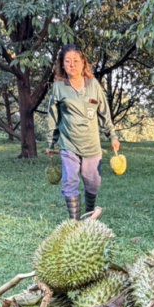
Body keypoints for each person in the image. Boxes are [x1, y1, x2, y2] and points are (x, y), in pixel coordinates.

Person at [41, 44, 121, 219]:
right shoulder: (58, 87)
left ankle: (90, 214)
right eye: (67, 61)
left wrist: (113, 135)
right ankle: (75, 223)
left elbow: (104, 113)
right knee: (70, 181)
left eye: (76, 61)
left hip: (92, 146)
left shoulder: (93, 85)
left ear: (83, 63)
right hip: (69, 144)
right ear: (62, 65)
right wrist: (50, 142)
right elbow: (52, 115)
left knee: (93, 184)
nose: (72, 65)